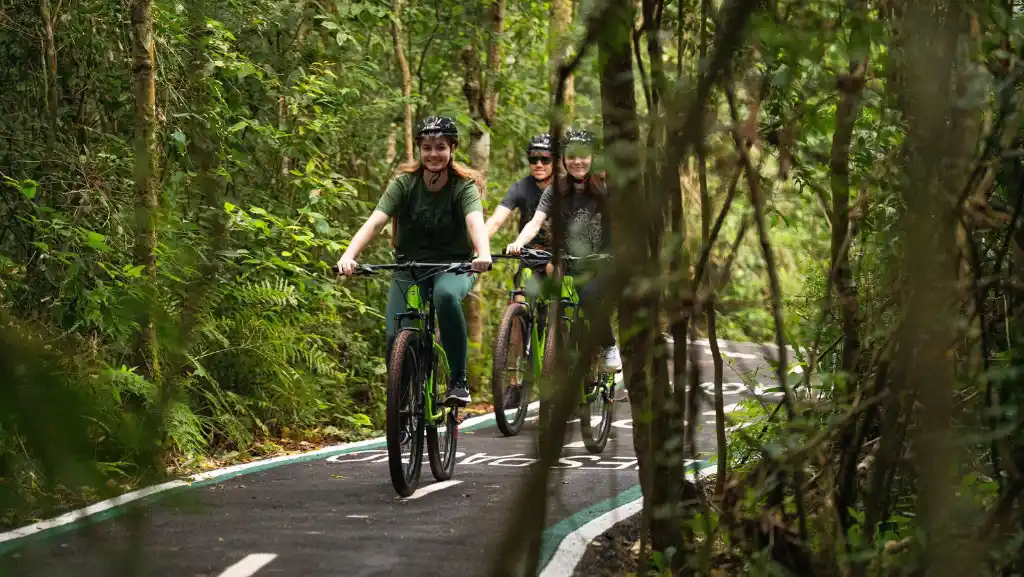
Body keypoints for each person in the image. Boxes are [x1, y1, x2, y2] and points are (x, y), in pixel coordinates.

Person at [336, 115, 492, 406]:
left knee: (446, 296)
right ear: (419, 149)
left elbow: (475, 223)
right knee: (396, 333)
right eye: (427, 147)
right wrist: (349, 255)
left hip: (455, 266)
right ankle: (403, 403)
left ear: (452, 149)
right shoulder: (405, 185)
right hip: (410, 267)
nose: (434, 154)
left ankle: (458, 381)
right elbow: (374, 222)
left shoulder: (463, 186)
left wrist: (482, 254)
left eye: (441, 147)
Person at [505, 128, 622, 372]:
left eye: (583, 156)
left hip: (601, 261)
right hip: (567, 261)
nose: (577, 161)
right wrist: (518, 243)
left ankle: (609, 345)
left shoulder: (607, 186)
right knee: (556, 299)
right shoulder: (555, 190)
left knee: (588, 296)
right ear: (563, 159)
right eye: (571, 156)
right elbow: (535, 222)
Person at [485, 133, 556, 287]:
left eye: (545, 159)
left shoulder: (564, 187)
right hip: (529, 255)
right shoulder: (520, 187)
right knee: (520, 296)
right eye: (533, 159)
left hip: (558, 257)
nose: (538, 164)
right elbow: (496, 221)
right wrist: (478, 244)